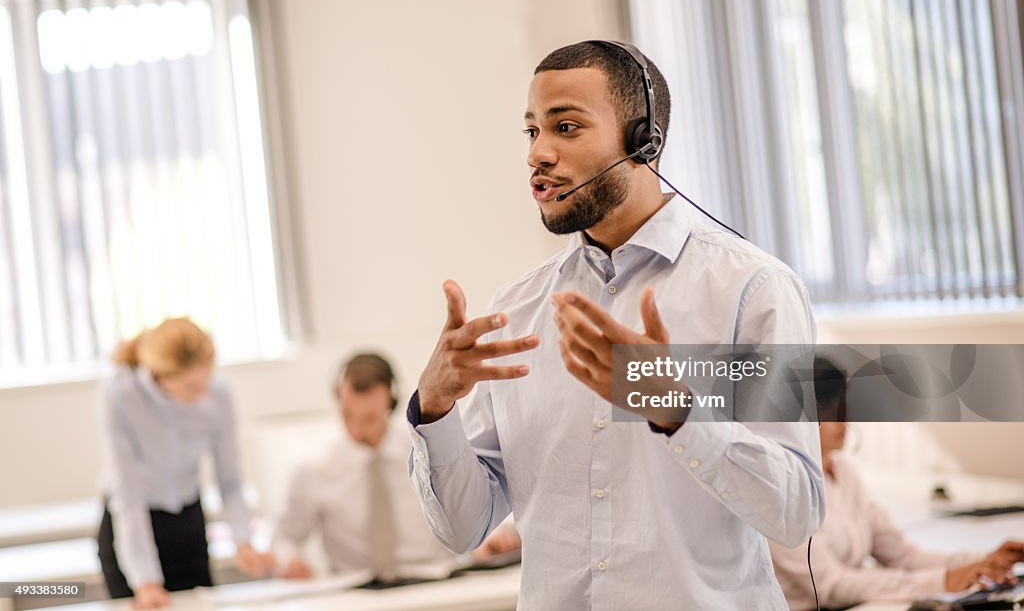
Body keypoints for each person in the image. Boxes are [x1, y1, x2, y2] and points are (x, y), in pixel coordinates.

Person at [407, 40, 825, 609]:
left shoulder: (750, 289)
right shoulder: (518, 310)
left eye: (567, 127)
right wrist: (434, 408)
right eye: (532, 132)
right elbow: (461, 528)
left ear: (642, 141)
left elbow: (797, 510)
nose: (539, 154)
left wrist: (680, 414)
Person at [770, 356, 1024, 610]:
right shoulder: (781, 489)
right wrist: (943, 580)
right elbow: (831, 586)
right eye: (828, 411)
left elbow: (903, 555)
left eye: (842, 406)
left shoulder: (842, 470)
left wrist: (985, 562)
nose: (844, 419)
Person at [272, 353, 520, 580]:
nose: (357, 430)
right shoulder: (313, 470)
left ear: (390, 405)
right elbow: (285, 538)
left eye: (369, 418)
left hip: (437, 583)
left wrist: (488, 540)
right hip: (357, 595)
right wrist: (290, 560)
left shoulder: (428, 453)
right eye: (348, 415)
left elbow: (464, 506)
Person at [96, 317, 271, 608]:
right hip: (132, 525)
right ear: (159, 376)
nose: (203, 392)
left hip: (187, 518)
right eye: (191, 386)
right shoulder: (119, 395)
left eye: (207, 379)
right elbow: (127, 494)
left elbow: (230, 479)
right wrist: (145, 580)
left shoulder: (218, 391)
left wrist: (243, 540)